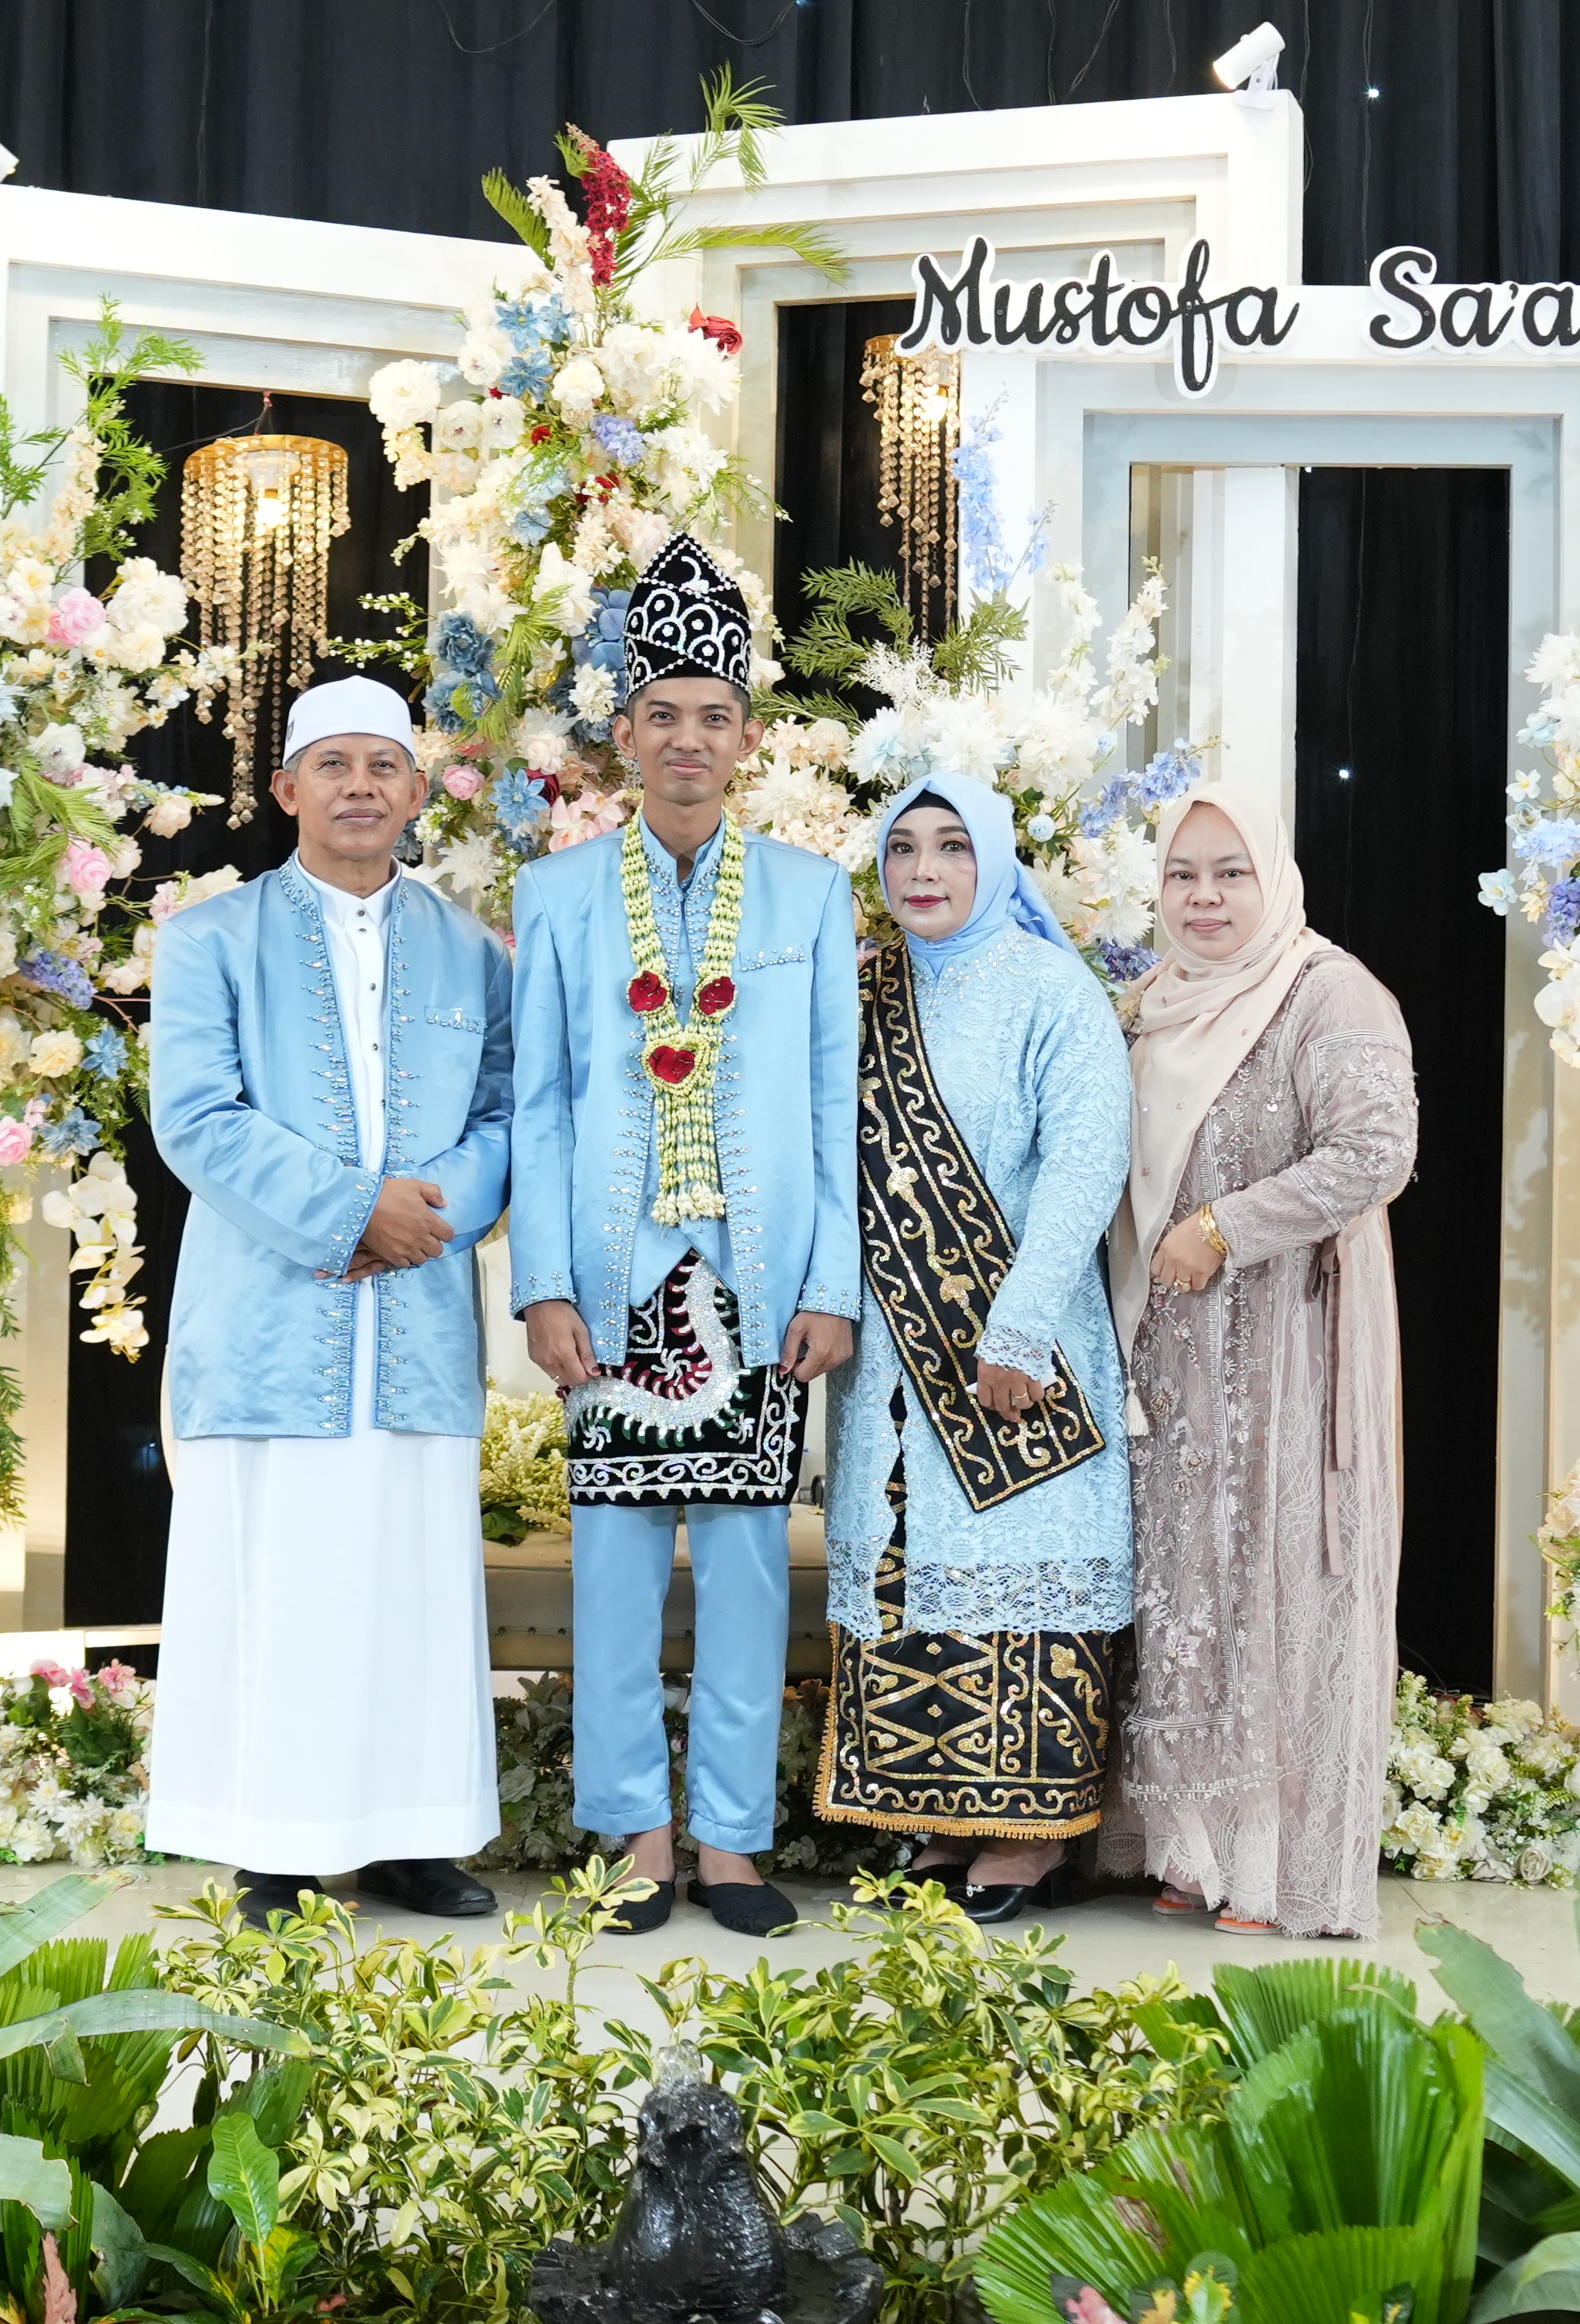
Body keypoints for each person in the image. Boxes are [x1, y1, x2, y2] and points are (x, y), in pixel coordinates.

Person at [510, 534, 862, 1937]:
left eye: (715, 716)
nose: (688, 740)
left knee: (748, 1569)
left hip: (755, 1278)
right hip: (613, 1275)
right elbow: (539, 1105)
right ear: (625, 734)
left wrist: (831, 1283)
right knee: (610, 1570)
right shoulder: (554, 897)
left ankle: (729, 1844)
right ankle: (633, 1839)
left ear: (749, 738)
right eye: (662, 714)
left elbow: (832, 1105)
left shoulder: (810, 894)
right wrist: (541, 1284)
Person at [145, 675, 515, 1927]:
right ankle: (274, 1847)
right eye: (335, 765)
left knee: (412, 1586)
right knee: (281, 1588)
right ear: (287, 789)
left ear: (416, 792)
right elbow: (197, 1119)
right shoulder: (210, 939)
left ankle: (414, 1839)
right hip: (269, 1320)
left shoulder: (471, 949)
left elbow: (507, 1114)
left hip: (417, 1321)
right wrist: (355, 1212)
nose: (361, 786)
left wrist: (430, 1214)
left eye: (383, 765)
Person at [1098, 784, 1415, 1937]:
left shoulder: (1328, 992)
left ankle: (1280, 1869)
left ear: (1272, 878)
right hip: (1175, 1350)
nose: (1206, 896)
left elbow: (1376, 1152)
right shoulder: (1154, 1004)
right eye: (1183, 875)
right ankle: (1192, 1849)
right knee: (1192, 1588)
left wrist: (1223, 1229)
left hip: (1290, 1341)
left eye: (1231, 872)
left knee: (1285, 1579)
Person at [813, 777, 1133, 1920]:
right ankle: (940, 1825)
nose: (925, 870)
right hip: (892, 1360)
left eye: (952, 846)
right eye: (903, 848)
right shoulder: (860, 992)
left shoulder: (1052, 988)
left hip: (1018, 1347)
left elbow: (1088, 1161)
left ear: (994, 860)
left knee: (1020, 1573)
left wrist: (1020, 1325)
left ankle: (1023, 1843)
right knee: (909, 1573)